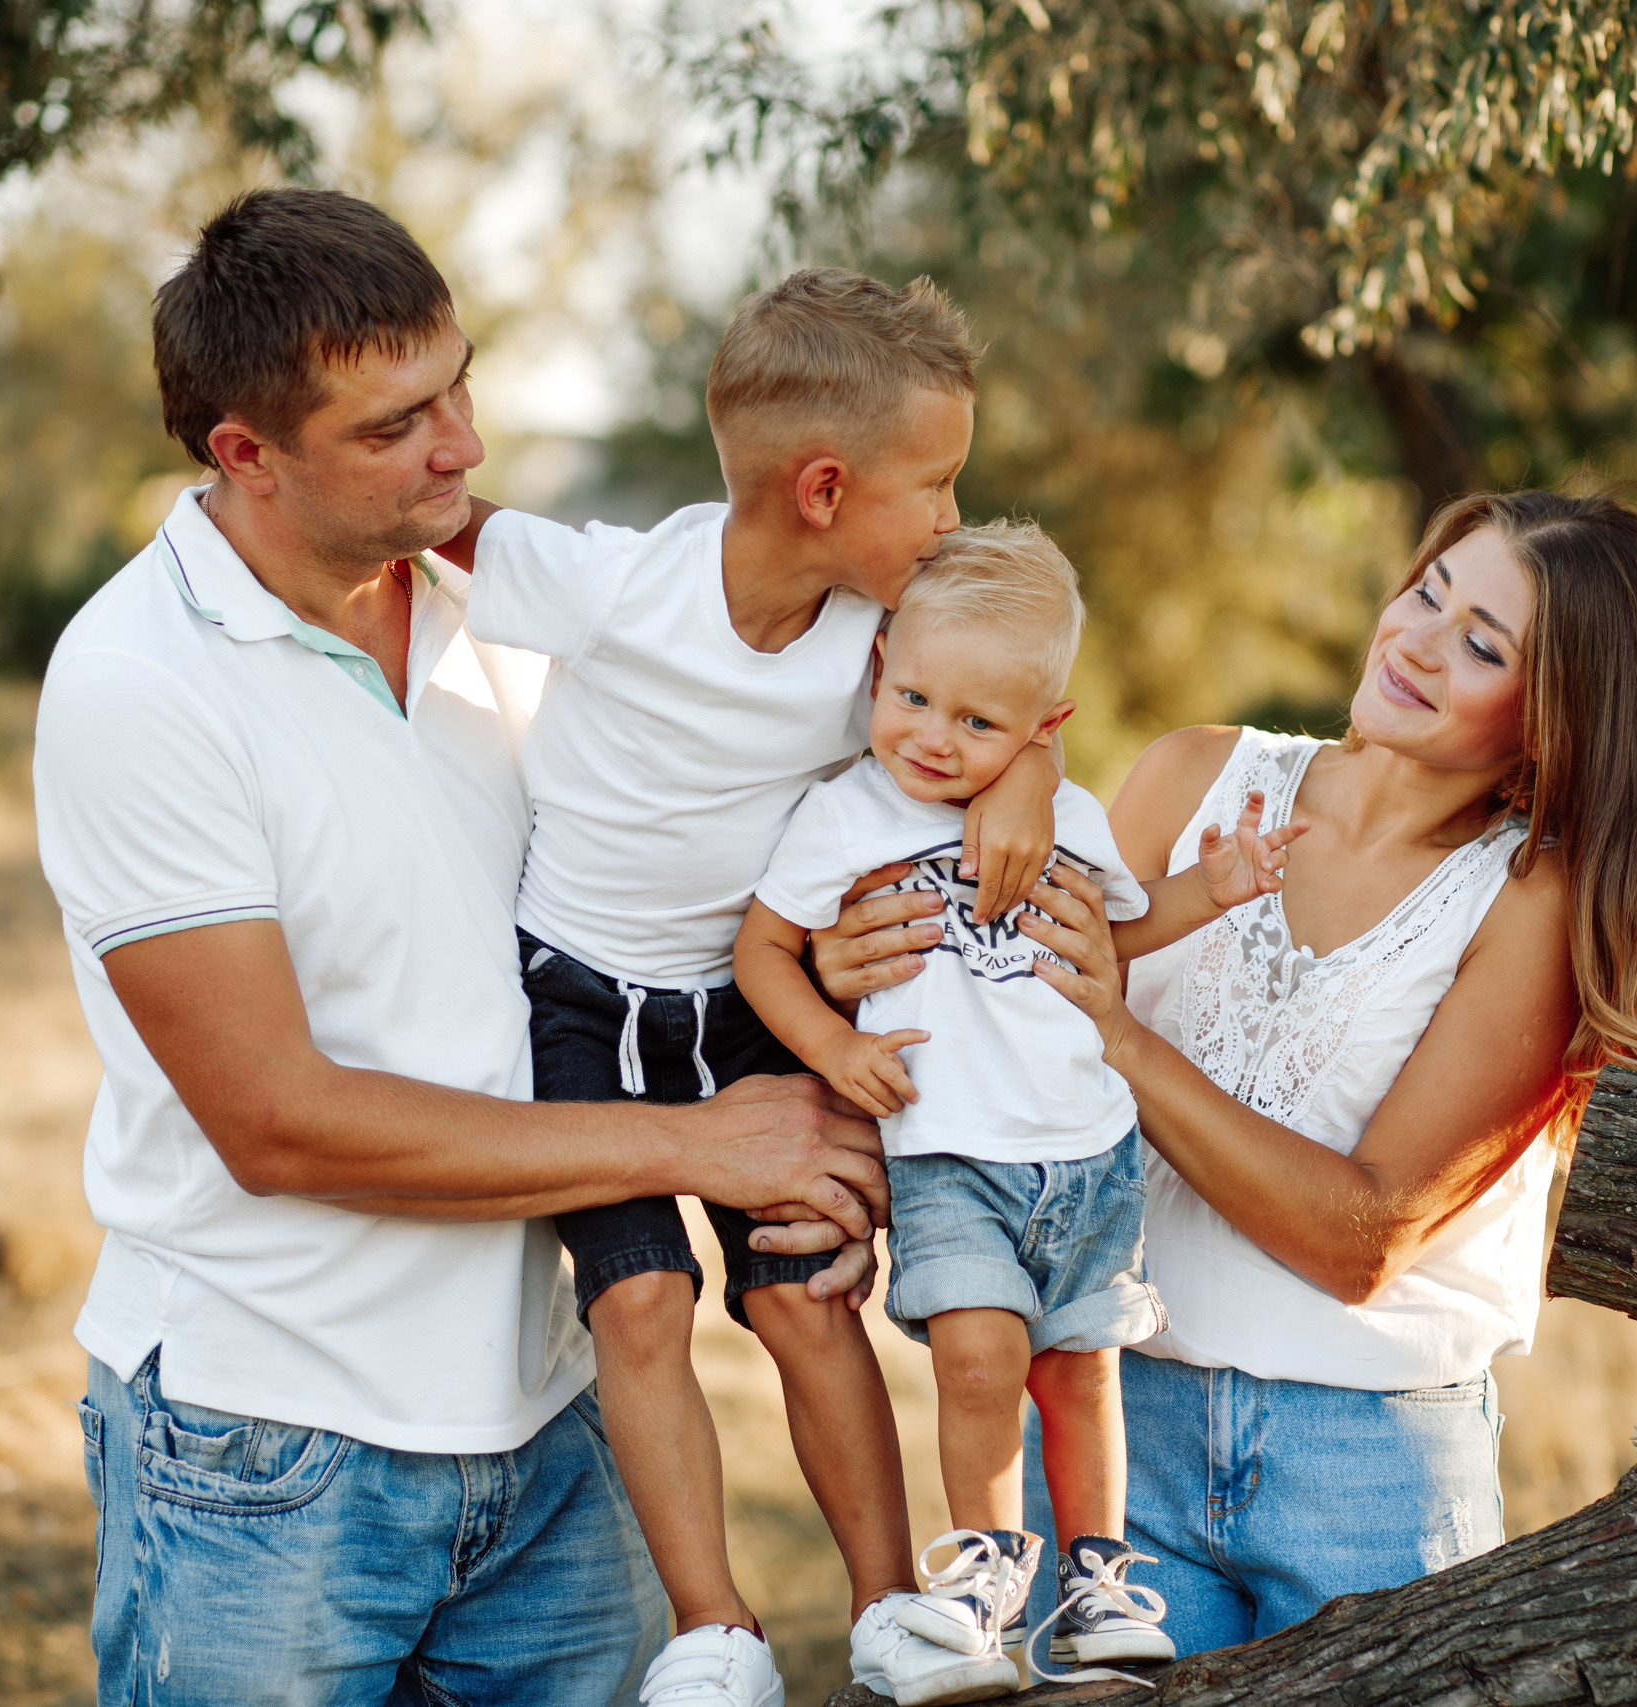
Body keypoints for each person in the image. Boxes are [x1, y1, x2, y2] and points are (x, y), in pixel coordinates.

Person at [33, 187, 889, 1707]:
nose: (463, 448)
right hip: (273, 1443)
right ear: (246, 453)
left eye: (460, 385)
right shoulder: (138, 682)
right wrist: (701, 1142)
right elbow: (275, 1119)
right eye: (394, 426)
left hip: (558, 1419)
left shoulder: (523, 604)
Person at [818, 488, 1637, 1655]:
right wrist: (866, 925)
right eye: (1428, 592)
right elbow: (981, 969)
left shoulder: (1529, 901)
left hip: (1364, 1473)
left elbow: (1361, 1238)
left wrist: (1118, 1039)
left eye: (1480, 644)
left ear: (1553, 720)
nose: (1416, 640)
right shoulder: (1192, 778)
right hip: (1121, 1434)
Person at [428, 271, 1065, 1707]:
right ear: (826, 486)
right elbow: (435, 521)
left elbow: (1002, 696)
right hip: (574, 1002)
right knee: (642, 1302)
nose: (955, 520)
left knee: (801, 1300)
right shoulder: (619, 583)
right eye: (940, 486)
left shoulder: (881, 646)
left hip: (738, 1009)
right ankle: (717, 1633)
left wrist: (1032, 764)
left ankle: (897, 1608)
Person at [736, 521, 1302, 1691]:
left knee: (1080, 1369)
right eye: (914, 699)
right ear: (882, 662)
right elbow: (762, 954)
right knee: (982, 1359)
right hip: (950, 1154)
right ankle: (980, 1582)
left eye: (978, 723)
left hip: (1087, 1151)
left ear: (1046, 729)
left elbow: (1117, 938)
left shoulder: (1068, 817)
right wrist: (834, 1050)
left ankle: (1097, 1582)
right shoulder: (847, 814)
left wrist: (1219, 885)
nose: (933, 740)